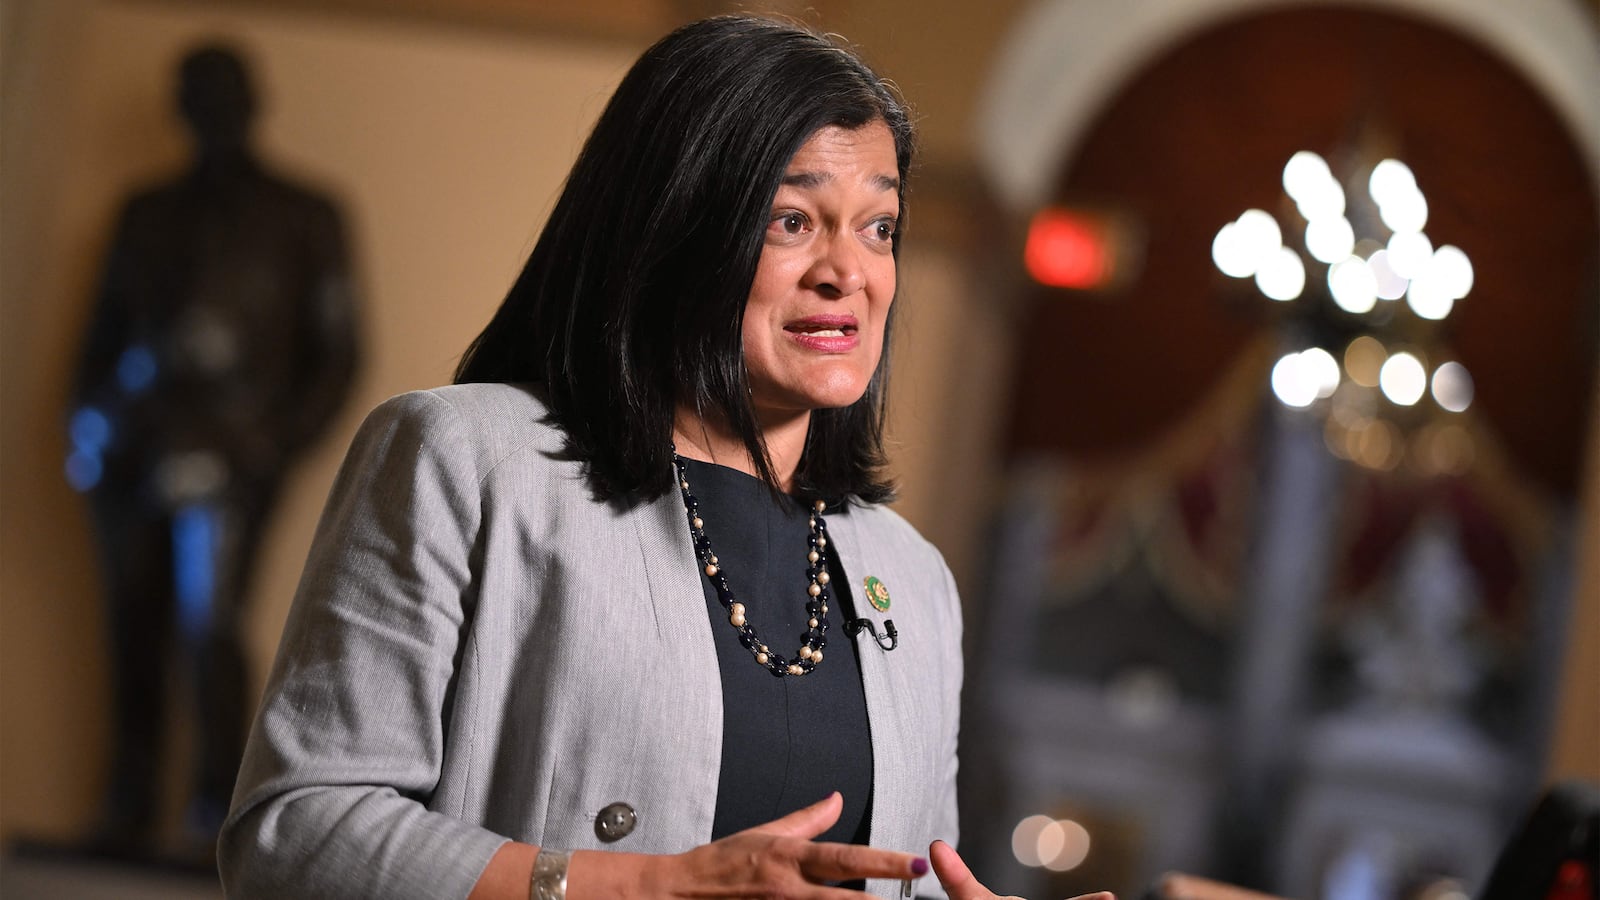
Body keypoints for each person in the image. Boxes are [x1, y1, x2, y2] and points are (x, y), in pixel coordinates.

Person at [219, 15, 1109, 900]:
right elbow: (297, 833)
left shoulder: (912, 579)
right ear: (675, 228)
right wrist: (641, 885)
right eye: (793, 220)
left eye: (879, 227)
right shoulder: (461, 461)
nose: (850, 272)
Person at [69, 41, 359, 853]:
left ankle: (214, 812)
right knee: (131, 626)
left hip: (234, 448)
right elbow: (99, 336)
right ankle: (127, 805)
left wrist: (269, 444)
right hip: (132, 442)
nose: (210, 109)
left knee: (210, 624)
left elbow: (336, 355)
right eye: (194, 93)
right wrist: (86, 427)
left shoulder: (306, 214)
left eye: (222, 92)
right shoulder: (145, 211)